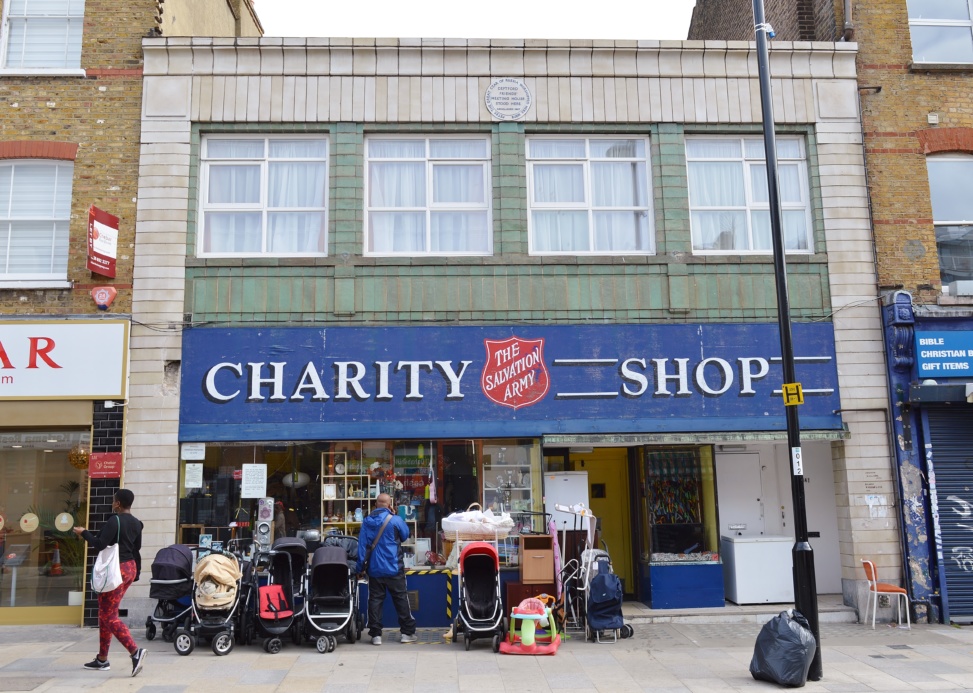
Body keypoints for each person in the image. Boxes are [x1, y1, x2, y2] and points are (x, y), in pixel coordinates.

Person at [73, 488, 146, 677]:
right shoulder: (137, 523)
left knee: (108, 616)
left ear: (118, 503)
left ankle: (135, 651)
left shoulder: (115, 520)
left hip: (116, 570)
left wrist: (83, 533)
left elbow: (99, 544)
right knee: (105, 612)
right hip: (129, 568)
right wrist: (136, 573)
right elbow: (136, 549)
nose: (112, 502)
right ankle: (102, 659)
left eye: (114, 500)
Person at [356, 493, 417, 646]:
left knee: (375, 600)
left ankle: (376, 635)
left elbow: (362, 548)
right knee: (401, 598)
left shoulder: (367, 522)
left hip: (375, 569)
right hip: (394, 567)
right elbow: (405, 535)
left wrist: (359, 569)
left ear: (376, 504)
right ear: (389, 505)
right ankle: (406, 633)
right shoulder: (395, 520)